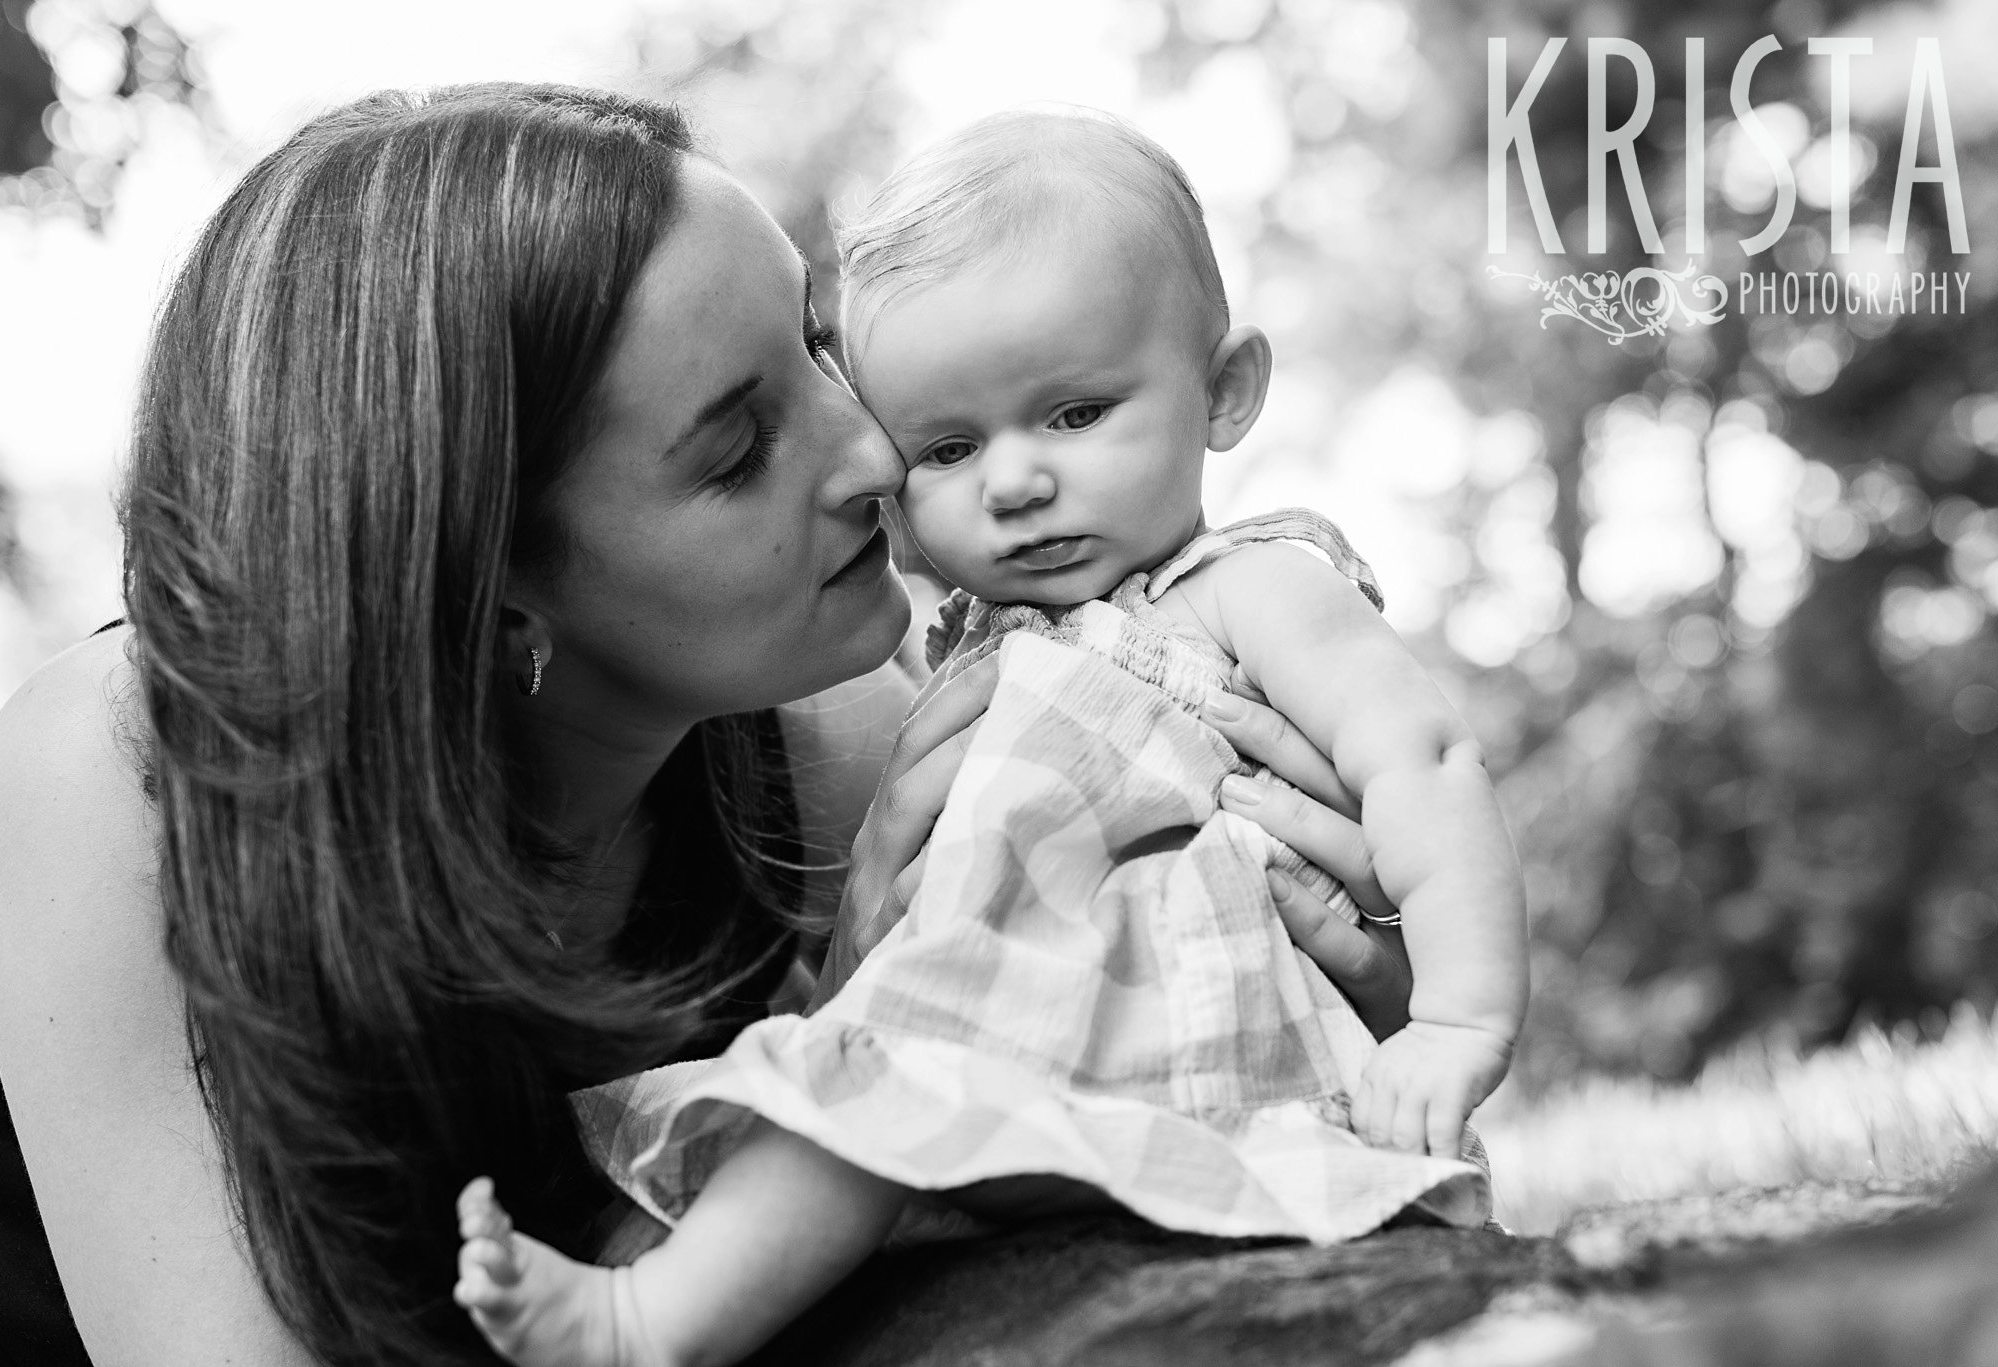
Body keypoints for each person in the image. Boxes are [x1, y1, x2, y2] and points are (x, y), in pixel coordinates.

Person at [0, 86, 1411, 1367]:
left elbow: (987, 1125)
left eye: (819, 351)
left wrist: (1314, 992)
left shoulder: (845, 736)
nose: (872, 456)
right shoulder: (121, 768)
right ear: (491, 585)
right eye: (737, 449)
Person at [451, 109, 1526, 1367]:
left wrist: (1454, 1018)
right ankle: (647, 1315)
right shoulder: (960, 655)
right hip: (1022, 1053)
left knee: (887, 1089)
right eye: (949, 447)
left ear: (1224, 391)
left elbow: (1425, 762)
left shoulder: (1248, 587)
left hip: (1197, 1030)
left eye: (1072, 414)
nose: (1012, 481)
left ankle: (652, 1311)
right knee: (848, 1100)